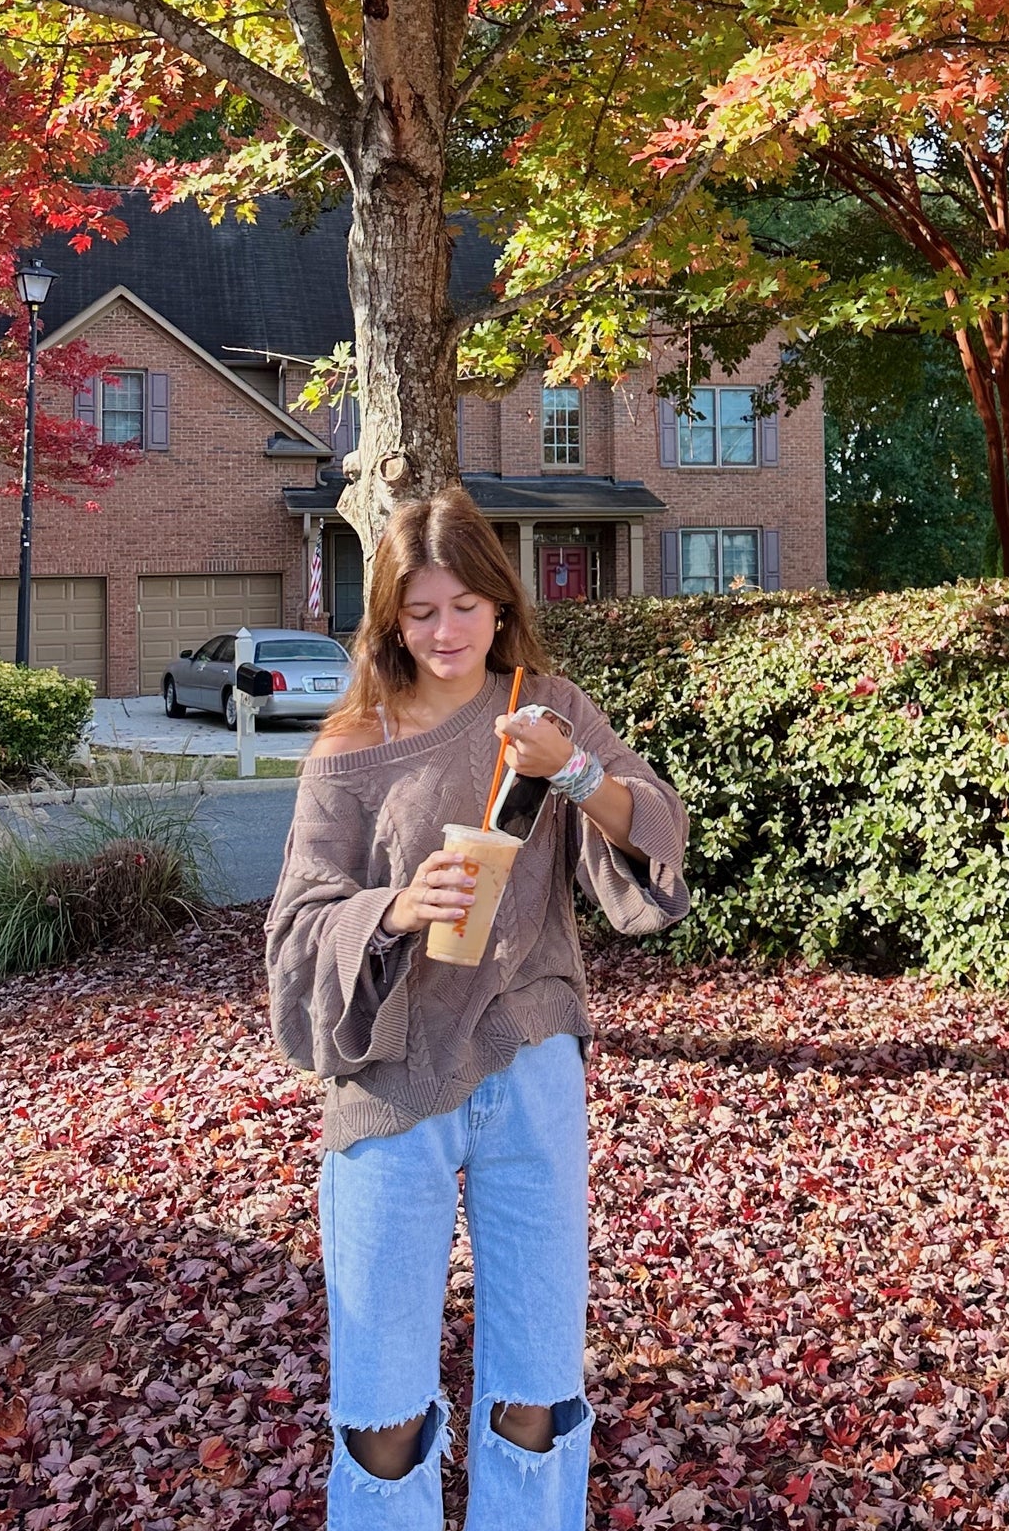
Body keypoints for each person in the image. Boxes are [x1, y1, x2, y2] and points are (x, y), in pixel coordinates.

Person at [265, 488, 690, 1530]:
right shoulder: (349, 745)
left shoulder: (543, 709)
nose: (445, 631)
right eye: (420, 611)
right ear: (388, 620)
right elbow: (293, 932)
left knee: (537, 1394)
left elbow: (656, 835)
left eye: (465, 605)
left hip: (528, 1061)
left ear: (500, 605)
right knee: (381, 1411)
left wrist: (572, 768)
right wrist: (394, 907)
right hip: (390, 1082)